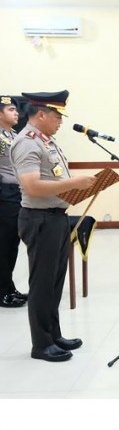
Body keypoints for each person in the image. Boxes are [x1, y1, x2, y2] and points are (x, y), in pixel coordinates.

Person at [10, 91, 96, 362]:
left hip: (55, 217)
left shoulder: (47, 141)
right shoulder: (27, 143)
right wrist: (73, 184)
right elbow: (32, 186)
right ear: (41, 114)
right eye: (58, 116)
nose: (60, 121)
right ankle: (41, 344)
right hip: (39, 219)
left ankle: (53, 334)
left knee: (55, 282)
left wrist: (78, 189)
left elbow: (54, 179)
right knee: (42, 284)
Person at [0, 95, 27, 308]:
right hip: (3, 193)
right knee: (3, 244)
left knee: (12, 244)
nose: (16, 113)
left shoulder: (13, 134)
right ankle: (2, 291)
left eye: (16, 109)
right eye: (10, 109)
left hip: (15, 193)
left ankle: (9, 287)